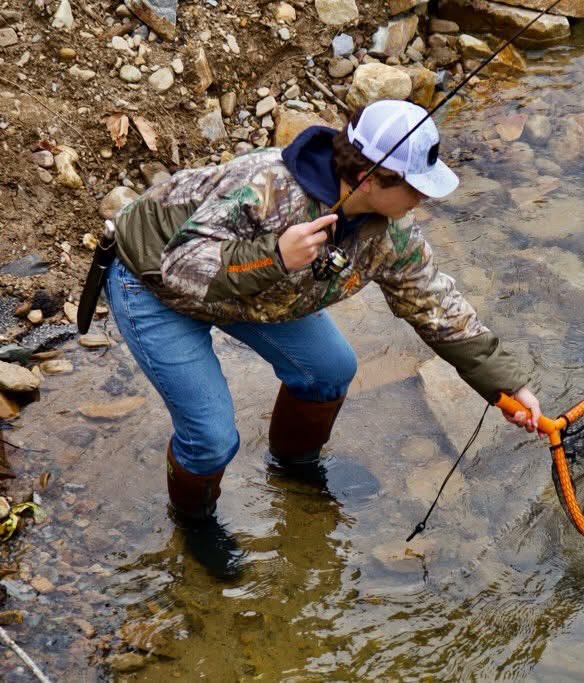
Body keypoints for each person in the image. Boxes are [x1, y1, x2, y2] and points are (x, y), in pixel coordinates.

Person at [104, 99, 542, 577]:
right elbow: (179, 265)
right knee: (211, 437)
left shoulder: (391, 231)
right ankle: (193, 525)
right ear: (370, 178)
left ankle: (294, 470)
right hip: (154, 285)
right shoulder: (265, 186)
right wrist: (273, 257)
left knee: (330, 370)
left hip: (250, 292)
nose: (424, 197)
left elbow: (433, 302)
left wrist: (506, 385)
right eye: (415, 186)